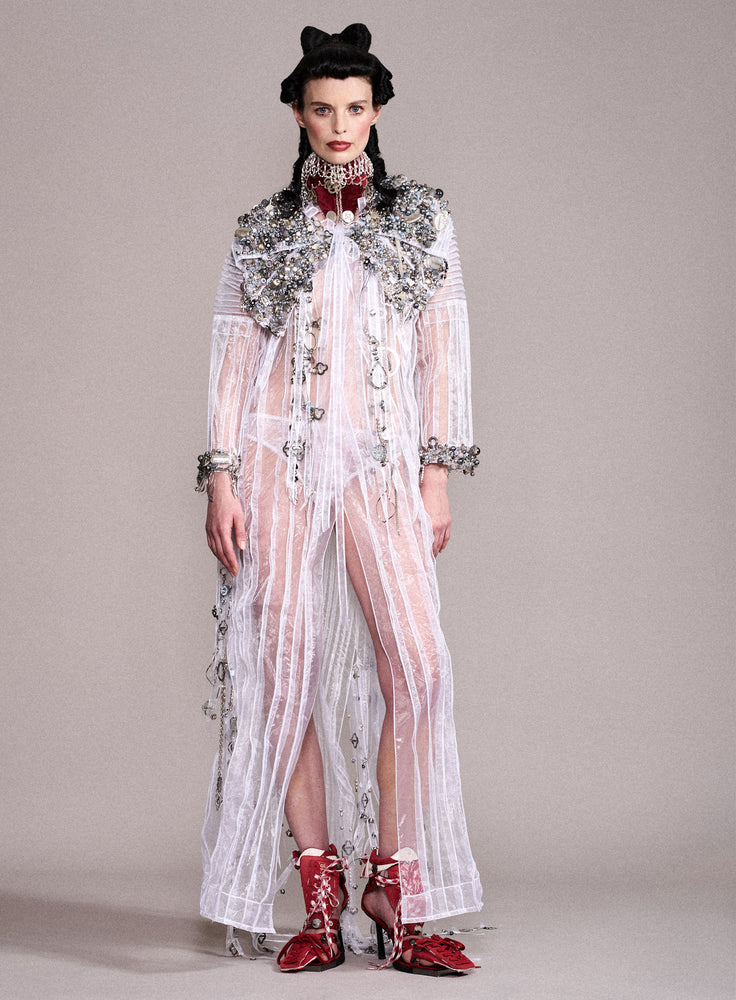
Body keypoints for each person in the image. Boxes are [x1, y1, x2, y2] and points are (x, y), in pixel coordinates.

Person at [197, 24, 482, 975]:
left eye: (355, 108)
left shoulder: (421, 220)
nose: (339, 125)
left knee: (419, 667)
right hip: (277, 461)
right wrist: (221, 477)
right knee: (282, 669)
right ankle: (318, 896)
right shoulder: (263, 230)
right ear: (298, 115)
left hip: (382, 465)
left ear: (377, 111)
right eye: (322, 109)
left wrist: (436, 476)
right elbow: (234, 358)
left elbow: (444, 349)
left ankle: (393, 887)